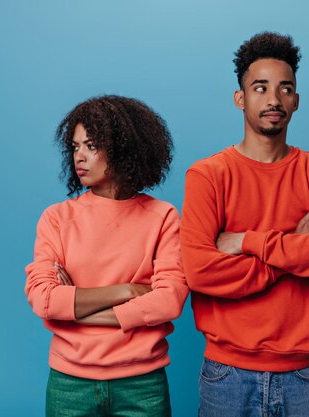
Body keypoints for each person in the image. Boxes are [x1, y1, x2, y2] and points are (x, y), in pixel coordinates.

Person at [180, 32, 309, 416]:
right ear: (240, 98)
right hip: (227, 373)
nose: (274, 99)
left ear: (296, 100)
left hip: (306, 373)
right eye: (260, 88)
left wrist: (249, 241)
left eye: (285, 89)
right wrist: (297, 245)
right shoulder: (208, 175)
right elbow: (200, 272)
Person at [25, 95, 188, 417]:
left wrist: (74, 308)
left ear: (123, 148)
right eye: (74, 147)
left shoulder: (163, 217)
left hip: (142, 383)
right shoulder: (56, 218)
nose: (79, 157)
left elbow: (169, 301)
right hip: (70, 383)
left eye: (91, 145)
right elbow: (43, 299)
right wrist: (126, 292)